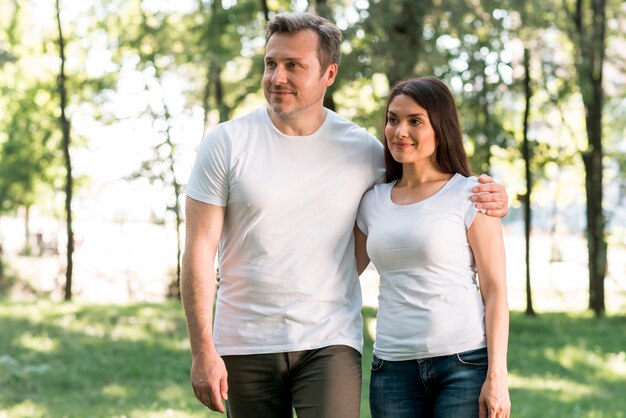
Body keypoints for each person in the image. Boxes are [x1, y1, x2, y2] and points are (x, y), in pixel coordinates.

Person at [180, 12, 509, 418]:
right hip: (244, 338)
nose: (277, 76)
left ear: (329, 73)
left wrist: (491, 197)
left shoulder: (364, 151)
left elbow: (426, 193)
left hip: (329, 339)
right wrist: (202, 351)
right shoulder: (226, 143)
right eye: (270, 64)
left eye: (293, 66)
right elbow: (197, 249)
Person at [354, 76, 511, 418]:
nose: (399, 131)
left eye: (415, 121)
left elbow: (496, 291)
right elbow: (337, 270)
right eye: (393, 119)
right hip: (392, 368)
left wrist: (497, 376)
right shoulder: (372, 201)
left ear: (440, 127)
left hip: (462, 364)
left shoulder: (472, 195)